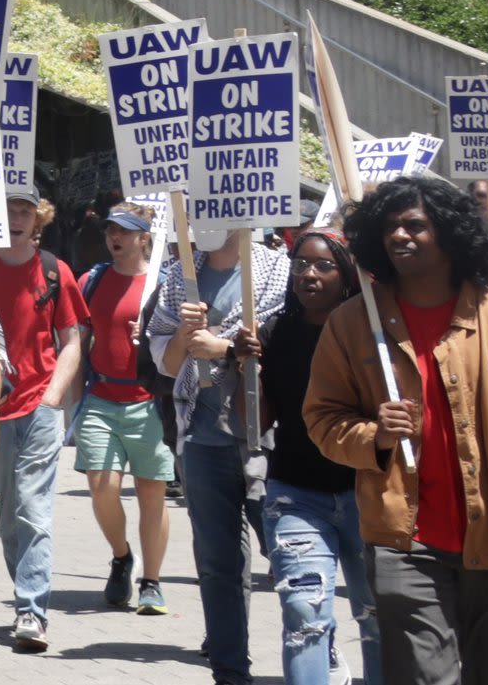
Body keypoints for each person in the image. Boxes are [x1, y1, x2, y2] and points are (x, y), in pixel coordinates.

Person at [304, 173, 488, 685]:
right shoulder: (351, 323)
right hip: (403, 542)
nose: (399, 236)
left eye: (415, 225)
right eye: (390, 227)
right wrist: (376, 437)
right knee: (420, 677)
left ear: (452, 232)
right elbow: (322, 419)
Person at [150, 222, 289, 685]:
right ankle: (230, 672)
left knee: (288, 553)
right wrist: (185, 337)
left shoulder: (279, 272)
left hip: (266, 440)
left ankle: (318, 654)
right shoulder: (180, 278)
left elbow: (291, 351)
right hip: (204, 441)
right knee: (217, 563)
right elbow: (168, 366)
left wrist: (225, 347)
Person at [256, 230, 380, 685]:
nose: (308, 274)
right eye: (300, 264)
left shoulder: (371, 333)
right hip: (296, 494)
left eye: (323, 265)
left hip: (365, 489)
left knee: (375, 615)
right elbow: (255, 423)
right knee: (304, 614)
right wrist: (248, 370)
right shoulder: (274, 331)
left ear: (346, 274)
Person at [0, 182, 83, 654]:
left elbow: (74, 340)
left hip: (39, 405)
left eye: (25, 210)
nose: (16, 218)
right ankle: (26, 591)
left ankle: (31, 609)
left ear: (38, 220)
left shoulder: (56, 271)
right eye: (9, 209)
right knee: (9, 511)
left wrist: (55, 396)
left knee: (33, 508)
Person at [71, 206, 172, 614]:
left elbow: (177, 343)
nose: (116, 237)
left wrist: (149, 335)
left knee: (152, 494)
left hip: (148, 402)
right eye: (112, 230)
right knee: (102, 487)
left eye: (126, 232)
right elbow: (79, 341)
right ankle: (121, 555)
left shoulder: (164, 284)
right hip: (100, 399)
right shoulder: (91, 280)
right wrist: (74, 400)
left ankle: (151, 581)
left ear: (145, 237)